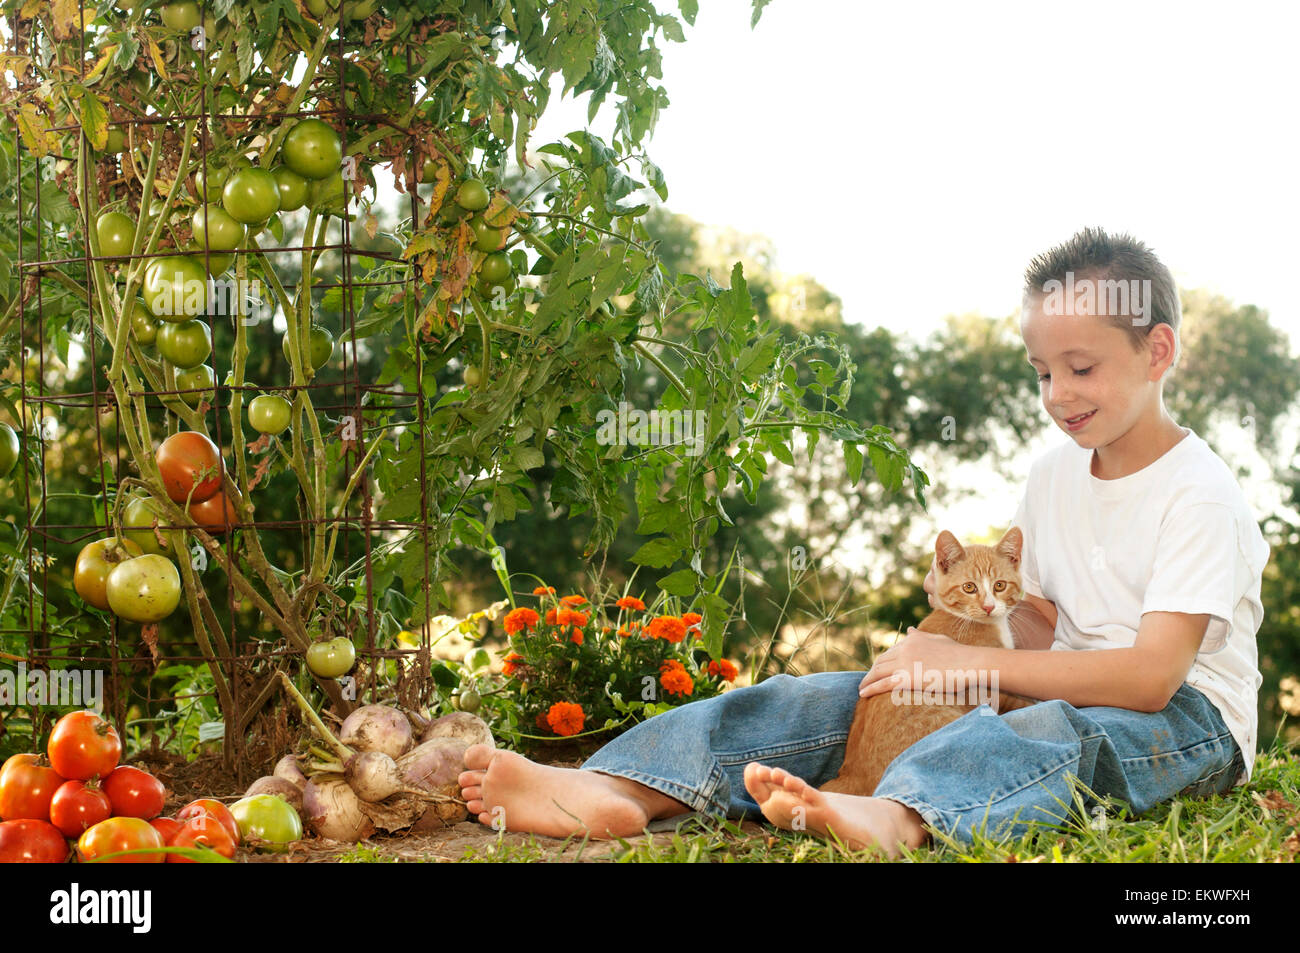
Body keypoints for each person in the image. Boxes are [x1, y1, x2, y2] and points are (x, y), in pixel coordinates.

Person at [458, 227, 1269, 857]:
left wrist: (973, 666)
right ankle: (624, 783)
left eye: (1080, 368)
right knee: (832, 697)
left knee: (1041, 737)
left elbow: (1150, 676)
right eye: (1040, 371)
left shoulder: (1199, 494)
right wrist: (951, 630)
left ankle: (897, 814)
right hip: (1052, 681)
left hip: (1183, 723)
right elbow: (1042, 623)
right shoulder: (1055, 477)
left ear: (1157, 351)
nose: (1057, 394)